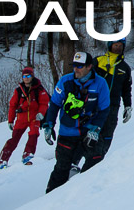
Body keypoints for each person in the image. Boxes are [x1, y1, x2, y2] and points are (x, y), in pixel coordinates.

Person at [43, 51, 110, 193]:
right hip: (67, 132)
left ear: (89, 67)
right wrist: (49, 124)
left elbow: (104, 109)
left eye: (80, 66)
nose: (76, 69)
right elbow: (54, 104)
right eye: (74, 65)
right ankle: (49, 198)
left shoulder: (100, 84)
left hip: (88, 131)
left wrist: (96, 129)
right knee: (61, 168)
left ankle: (82, 191)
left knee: (96, 158)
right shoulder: (65, 81)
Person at [70, 39, 132, 174]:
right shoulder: (98, 61)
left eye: (120, 46)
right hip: (94, 103)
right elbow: (85, 76)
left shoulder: (125, 67)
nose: (118, 48)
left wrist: (128, 105)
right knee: (87, 132)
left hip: (113, 106)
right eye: (115, 45)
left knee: (106, 135)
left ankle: (92, 167)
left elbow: (127, 89)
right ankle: (73, 162)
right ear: (110, 45)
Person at [0, 67, 50, 168]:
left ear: (32, 76)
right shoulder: (18, 90)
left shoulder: (39, 89)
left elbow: (44, 103)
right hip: (21, 117)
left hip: (35, 117)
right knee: (14, 138)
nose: (26, 78)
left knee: (34, 134)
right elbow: (12, 105)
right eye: (24, 76)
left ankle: (28, 154)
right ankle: (2, 159)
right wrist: (10, 120)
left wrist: (41, 113)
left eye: (28, 76)